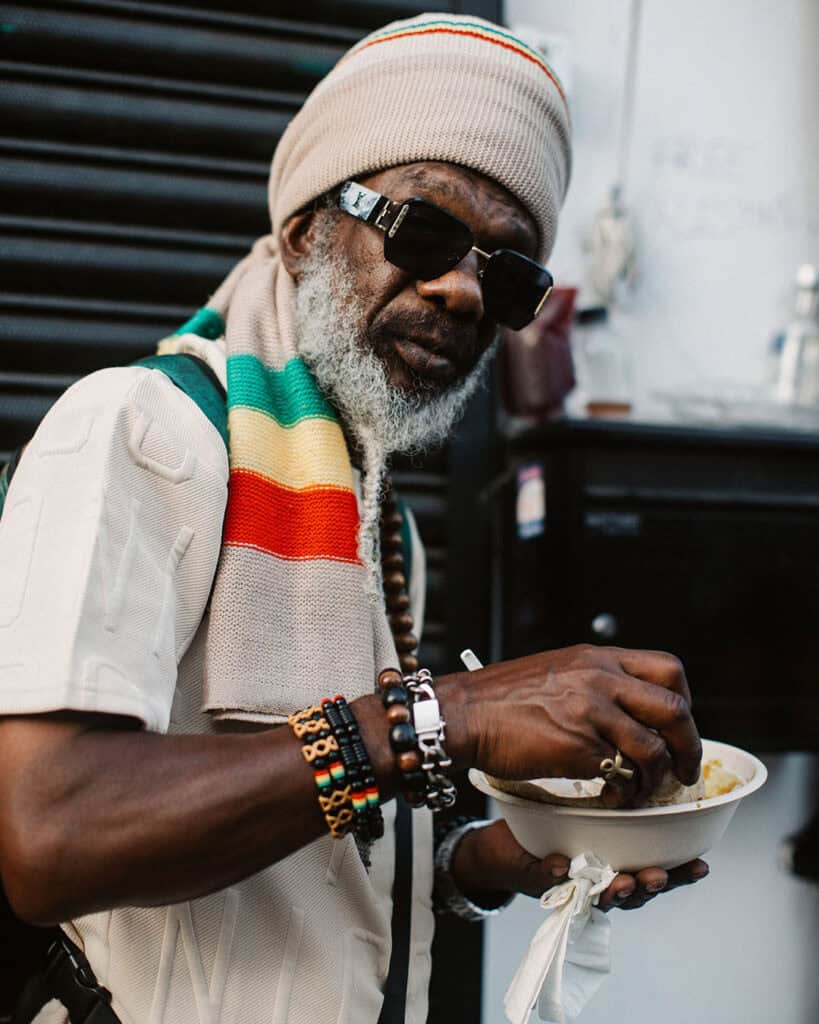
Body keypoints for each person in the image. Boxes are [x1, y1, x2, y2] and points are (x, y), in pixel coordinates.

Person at [0, 13, 706, 1024]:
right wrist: (442, 718)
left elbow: (328, 873)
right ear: (304, 228)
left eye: (507, 273)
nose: (462, 289)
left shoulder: (372, 517)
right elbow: (48, 834)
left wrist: (519, 856)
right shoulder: (140, 428)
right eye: (425, 231)